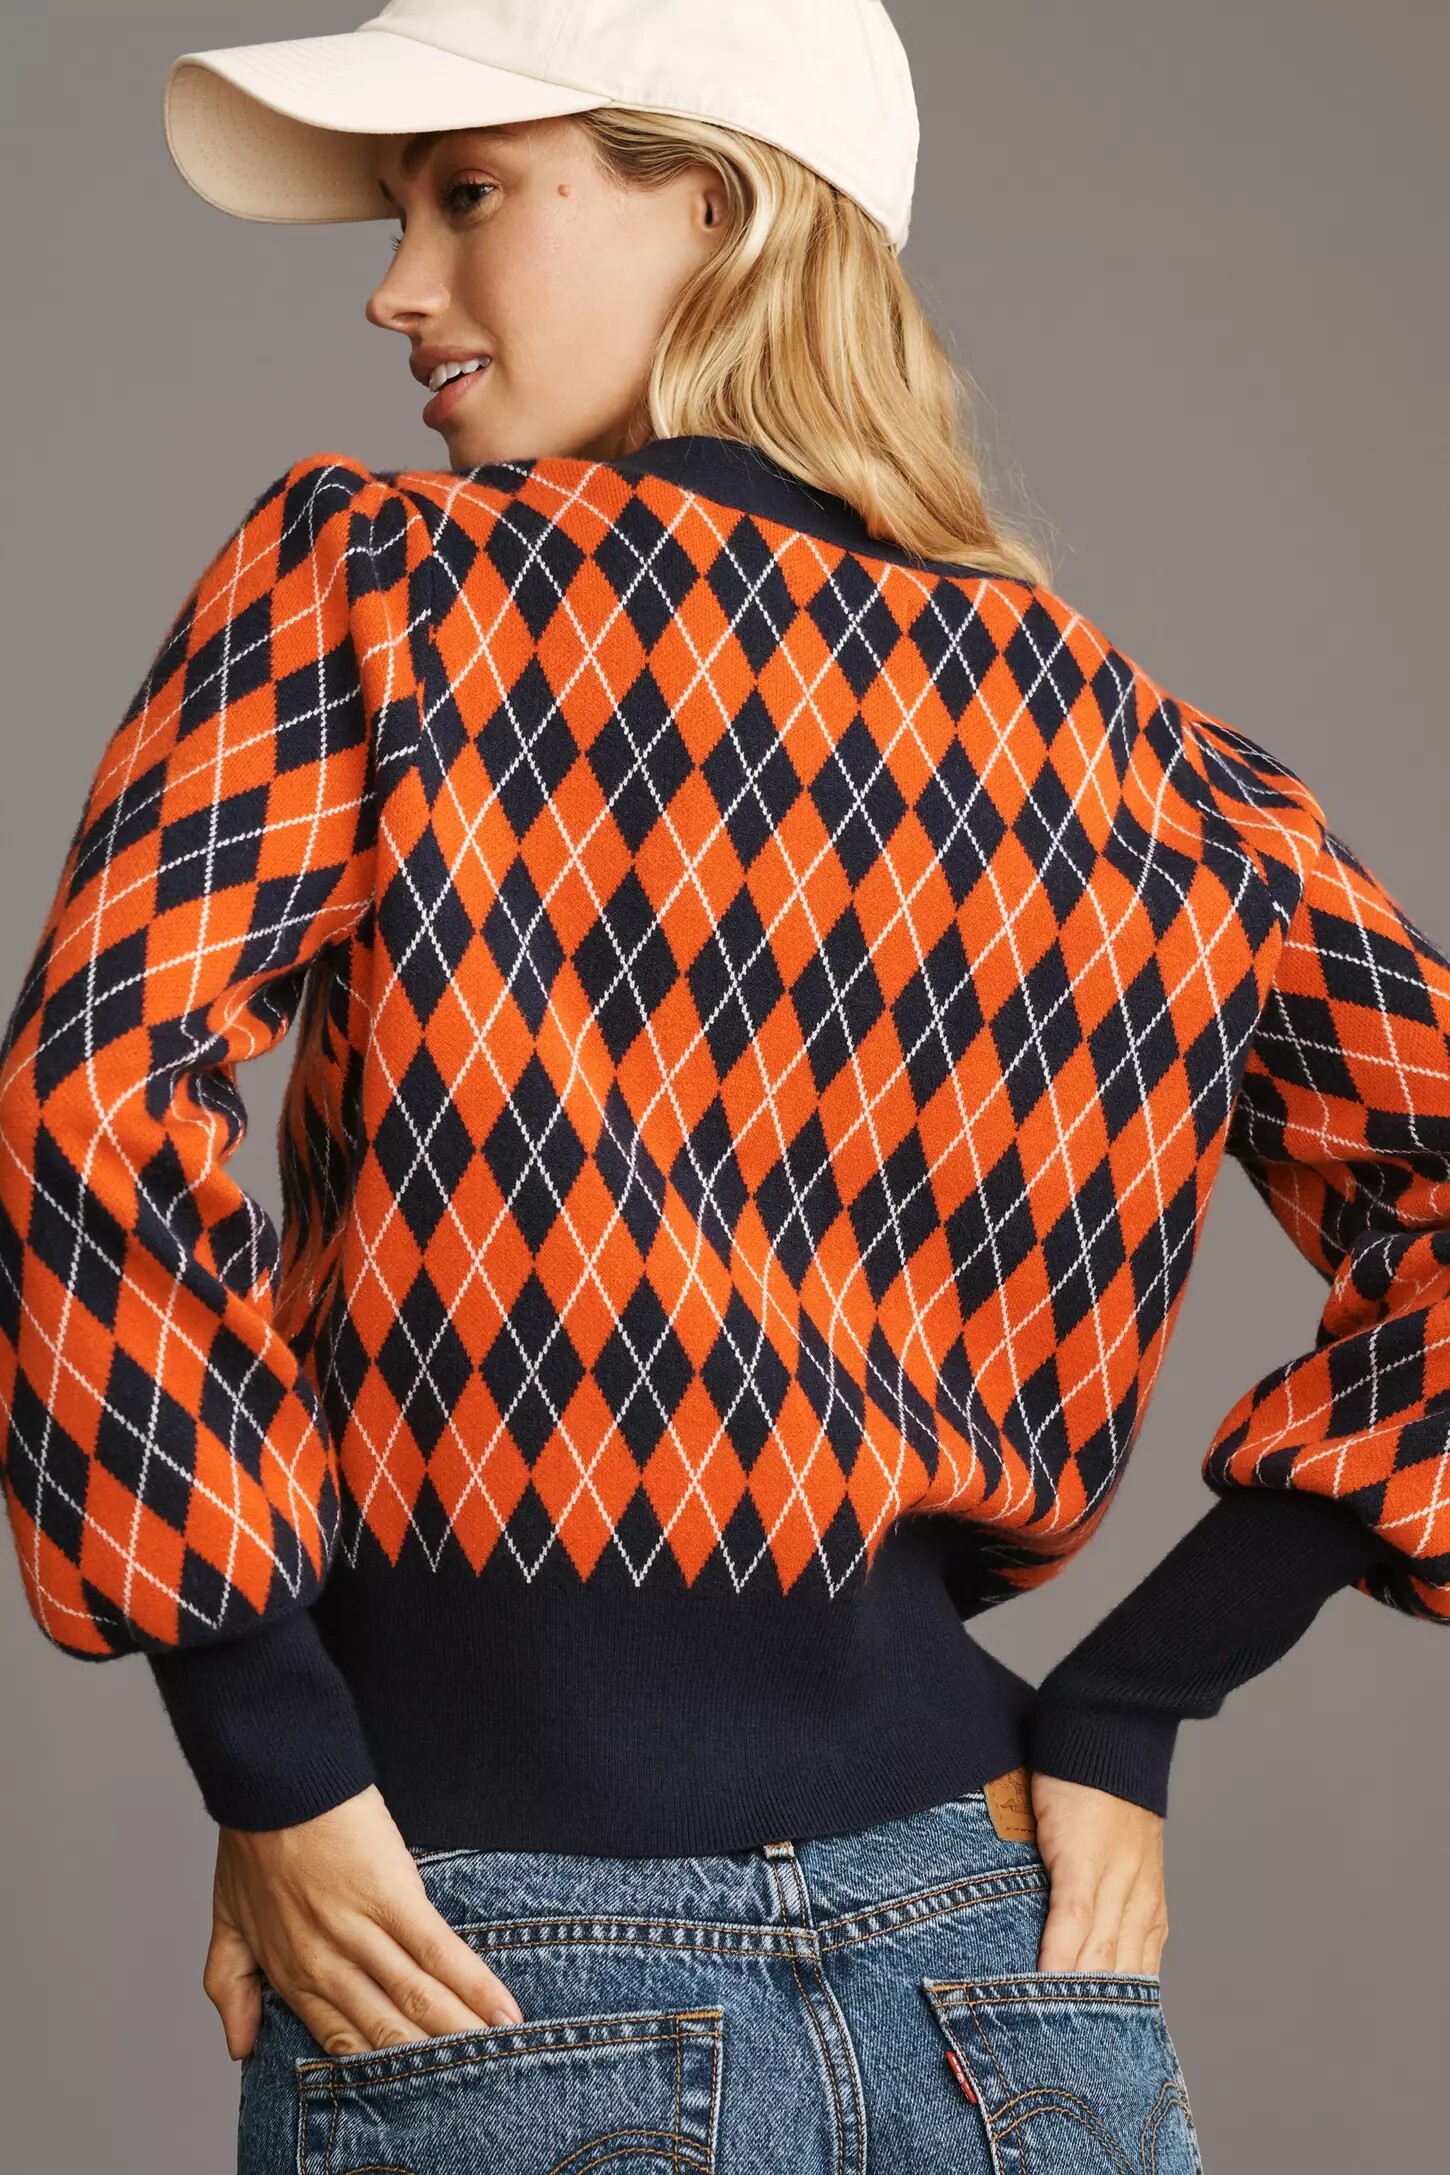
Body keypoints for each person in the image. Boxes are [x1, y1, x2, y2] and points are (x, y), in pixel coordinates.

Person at [1, 3, 1443, 2169]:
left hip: (489, 1960)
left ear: (716, 205)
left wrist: (279, 1757)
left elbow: (86, 1103)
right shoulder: (1139, 758)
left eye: (467, 195)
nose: (397, 288)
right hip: (999, 1962)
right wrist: (1137, 1701)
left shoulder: (387, 589)